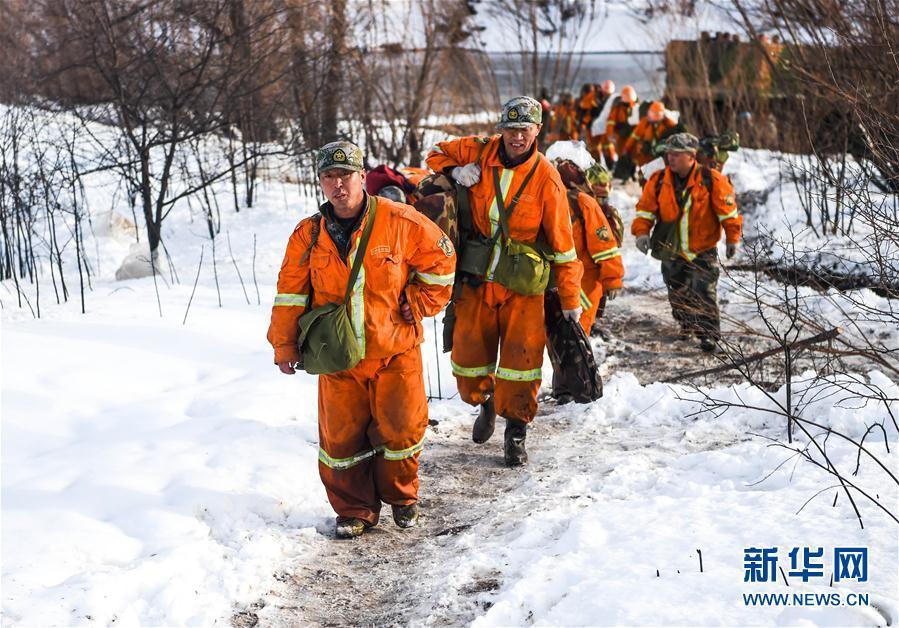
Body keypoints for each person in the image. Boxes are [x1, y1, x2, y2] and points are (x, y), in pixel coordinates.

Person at [267, 141, 456, 538]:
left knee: (401, 431)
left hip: (395, 350)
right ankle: (354, 510)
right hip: (337, 357)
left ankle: (402, 497)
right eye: (329, 177)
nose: (338, 185)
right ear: (321, 182)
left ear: (362, 177)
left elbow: (443, 261)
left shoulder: (400, 220)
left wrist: (420, 300)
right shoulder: (307, 234)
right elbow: (290, 293)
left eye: (346, 176)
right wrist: (284, 345)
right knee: (341, 441)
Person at [426, 96, 583, 467]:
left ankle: (516, 431)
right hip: (477, 277)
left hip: (522, 286)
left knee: (521, 363)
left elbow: (564, 246)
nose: (517, 137)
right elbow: (435, 153)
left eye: (525, 130)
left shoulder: (547, 179)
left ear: (537, 131)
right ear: (501, 130)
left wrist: (570, 299)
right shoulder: (479, 151)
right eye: (511, 129)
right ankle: (484, 401)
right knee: (467, 360)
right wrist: (455, 171)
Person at [631, 133, 742, 352]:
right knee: (677, 290)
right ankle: (686, 323)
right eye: (669, 154)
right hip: (671, 248)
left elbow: (728, 213)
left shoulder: (711, 179)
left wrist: (732, 239)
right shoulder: (658, 180)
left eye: (676, 154)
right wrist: (642, 233)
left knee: (704, 290)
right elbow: (645, 210)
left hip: (703, 248)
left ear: (691, 156)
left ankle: (708, 335)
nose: (670, 158)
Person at [554, 160, 624, 338]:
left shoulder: (583, 203)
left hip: (583, 284)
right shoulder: (553, 198)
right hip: (559, 282)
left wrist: (612, 278)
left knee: (576, 336)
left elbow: (604, 246)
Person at [622, 101, 680, 167]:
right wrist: (626, 149)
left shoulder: (669, 125)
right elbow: (634, 136)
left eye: (653, 113)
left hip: (661, 156)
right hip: (645, 155)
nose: (650, 115)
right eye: (650, 112)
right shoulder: (644, 122)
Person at [604, 85, 639, 177]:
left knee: (634, 155)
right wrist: (610, 134)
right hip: (621, 136)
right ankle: (623, 174)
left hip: (633, 135)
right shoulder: (617, 108)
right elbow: (610, 122)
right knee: (622, 154)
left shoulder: (637, 107)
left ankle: (632, 173)